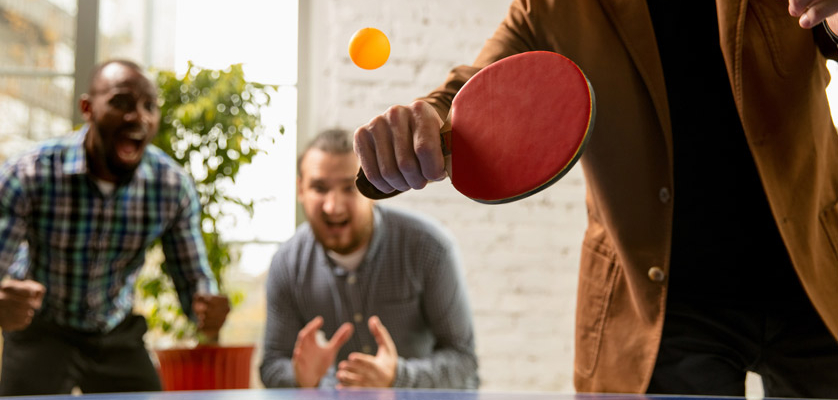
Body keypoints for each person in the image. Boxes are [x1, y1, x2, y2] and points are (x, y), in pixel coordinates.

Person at [353, 1, 838, 397]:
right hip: (660, 301)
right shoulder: (551, 8)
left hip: (816, 271)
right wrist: (419, 124)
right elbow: (471, 92)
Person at [0, 59, 230, 395]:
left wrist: (207, 311)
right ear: (88, 108)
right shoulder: (29, 174)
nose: (138, 117)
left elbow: (194, 278)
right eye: (121, 102)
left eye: (149, 106)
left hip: (114, 330)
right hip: (42, 327)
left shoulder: (171, 187)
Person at [260, 129, 478, 389]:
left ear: (375, 189)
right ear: (300, 190)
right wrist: (302, 377)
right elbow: (272, 365)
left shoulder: (430, 248)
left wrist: (397, 376)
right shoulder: (286, 264)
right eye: (319, 188)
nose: (333, 206)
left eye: (349, 187)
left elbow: (464, 364)